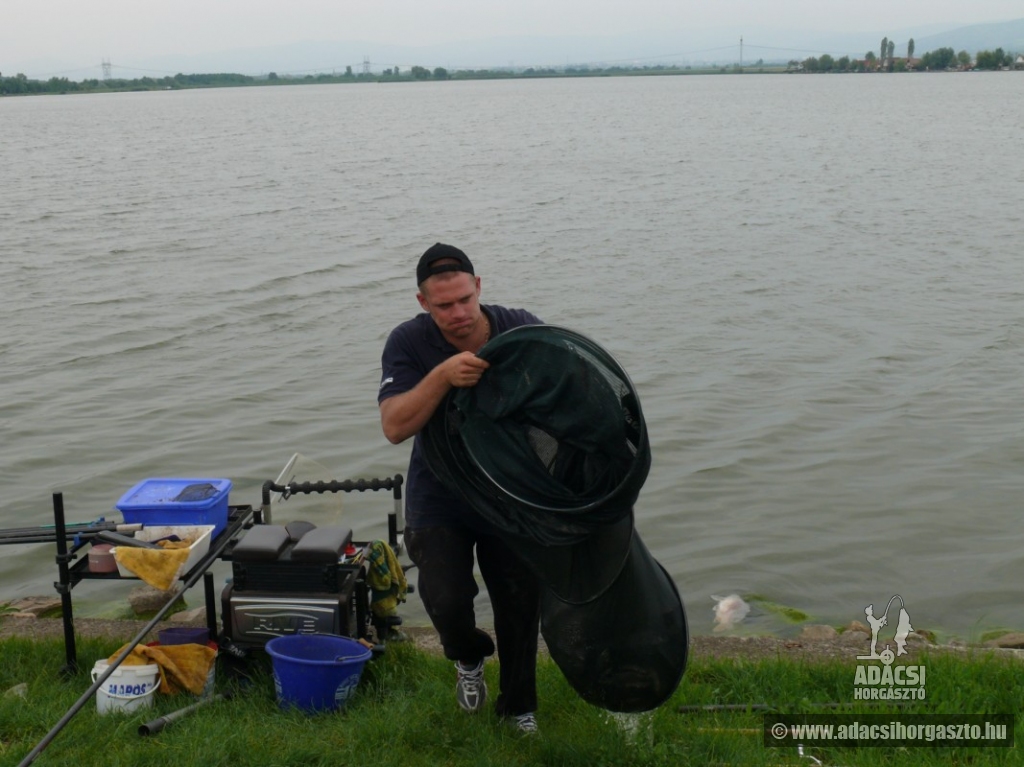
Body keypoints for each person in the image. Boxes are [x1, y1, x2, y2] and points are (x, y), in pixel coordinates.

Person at [378, 243, 543, 733]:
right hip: (440, 493)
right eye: (444, 305)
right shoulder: (408, 342)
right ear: (423, 302)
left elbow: (561, 393)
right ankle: (468, 657)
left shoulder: (520, 327)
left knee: (519, 604)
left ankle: (519, 708)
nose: (458, 313)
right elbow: (394, 426)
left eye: (465, 299)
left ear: (479, 288)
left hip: (510, 491)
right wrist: (443, 376)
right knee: (445, 599)